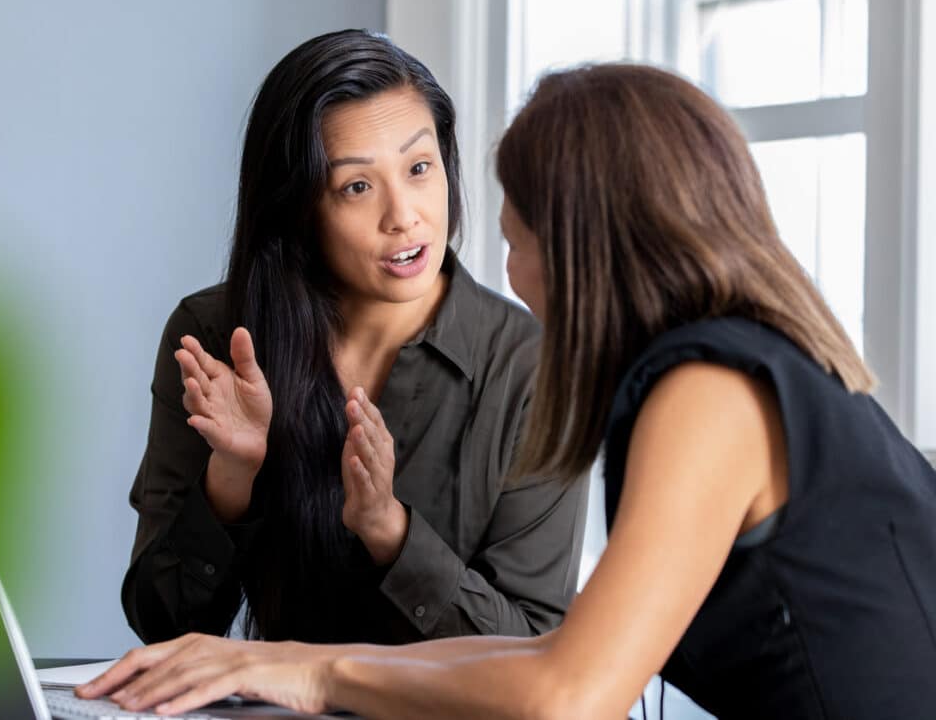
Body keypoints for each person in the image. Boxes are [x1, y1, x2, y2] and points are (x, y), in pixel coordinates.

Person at [84, 63, 936, 719]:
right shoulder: (742, 365)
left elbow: (566, 695)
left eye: (514, 237)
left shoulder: (709, 393)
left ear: (583, 245)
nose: (506, 271)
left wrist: (312, 670)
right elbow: (561, 656)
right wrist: (277, 664)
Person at [120, 29, 589, 650]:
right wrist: (232, 476)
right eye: (357, 187)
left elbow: (534, 654)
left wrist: (389, 531)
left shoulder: (533, 368)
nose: (404, 216)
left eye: (420, 168)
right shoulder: (216, 336)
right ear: (298, 209)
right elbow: (164, 623)